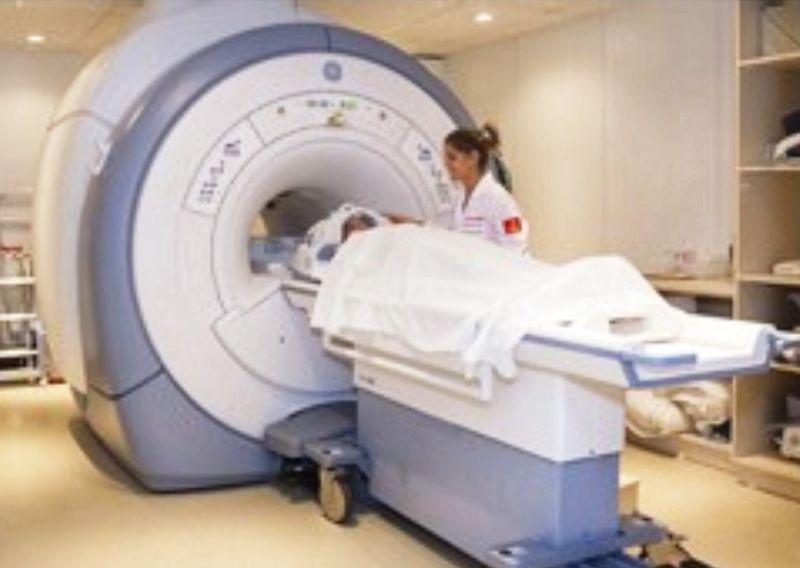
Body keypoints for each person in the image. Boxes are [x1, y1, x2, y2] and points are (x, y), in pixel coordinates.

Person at [441, 124, 529, 253]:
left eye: (452, 157)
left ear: (473, 158)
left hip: (494, 266)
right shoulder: (459, 198)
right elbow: (441, 229)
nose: (446, 163)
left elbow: (517, 246)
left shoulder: (499, 200)